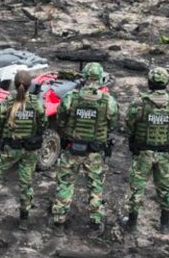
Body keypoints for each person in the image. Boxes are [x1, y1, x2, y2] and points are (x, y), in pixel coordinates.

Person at [51, 62, 119, 237]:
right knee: (95, 187)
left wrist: (70, 132)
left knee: (65, 184)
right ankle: (95, 224)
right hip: (95, 152)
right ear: (100, 78)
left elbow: (61, 119)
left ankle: (59, 222)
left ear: (84, 77)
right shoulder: (108, 101)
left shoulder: (70, 97)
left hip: (73, 149)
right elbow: (113, 124)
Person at [0, 70, 48, 230]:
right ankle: (24, 219)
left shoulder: (7, 103)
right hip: (30, 150)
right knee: (26, 183)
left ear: (15, 85)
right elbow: (43, 125)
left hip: (9, 148)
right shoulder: (36, 104)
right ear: (30, 86)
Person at [121, 67, 169, 233]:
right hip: (166, 153)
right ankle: (165, 224)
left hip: (143, 152)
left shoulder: (139, 103)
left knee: (137, 187)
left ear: (149, 83)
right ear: (166, 83)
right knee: (166, 188)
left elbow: (129, 124)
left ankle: (132, 224)